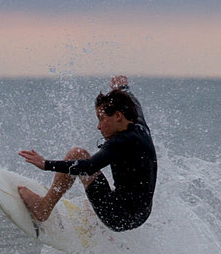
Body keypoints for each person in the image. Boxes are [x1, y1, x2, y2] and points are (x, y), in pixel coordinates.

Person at [18, 76, 157, 232]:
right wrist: (123, 89)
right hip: (141, 215)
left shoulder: (121, 142)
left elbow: (88, 166)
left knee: (77, 154)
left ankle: (43, 208)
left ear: (118, 116)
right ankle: (98, 227)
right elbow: (134, 103)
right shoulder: (139, 125)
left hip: (117, 217)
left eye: (101, 119)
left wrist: (45, 164)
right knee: (98, 201)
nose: (98, 127)